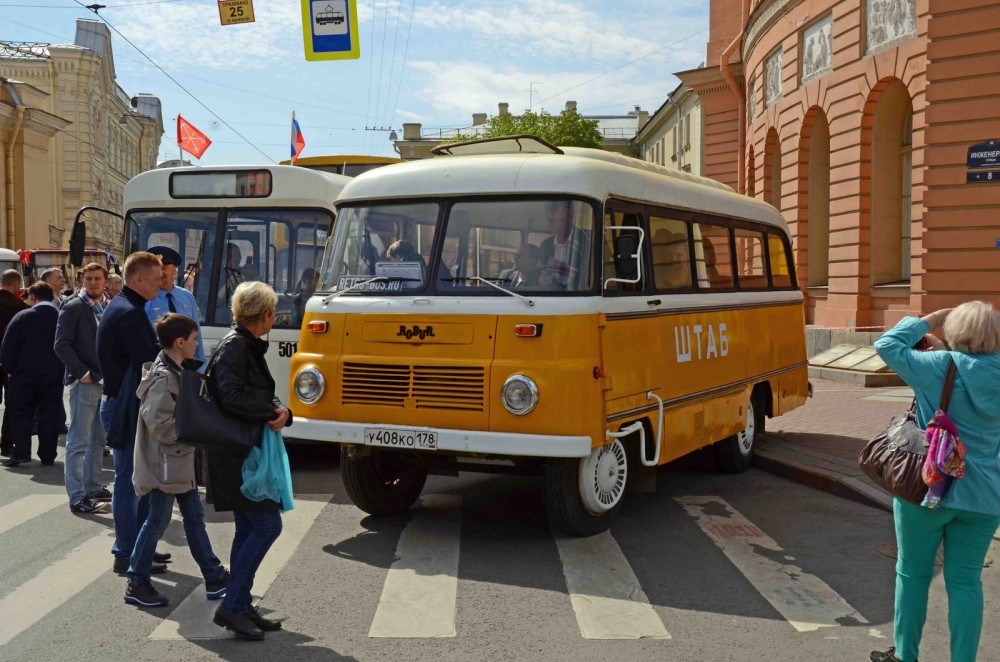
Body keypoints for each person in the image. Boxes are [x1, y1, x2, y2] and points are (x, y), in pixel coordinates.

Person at [871, 302, 1000, 662]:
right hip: (986, 497)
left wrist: (933, 319)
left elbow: (886, 345)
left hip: (930, 488)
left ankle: (905, 655)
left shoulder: (937, 367)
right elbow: (978, 373)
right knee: (966, 582)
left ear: (954, 332)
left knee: (912, 574)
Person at [124, 313, 229, 608]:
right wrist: (196, 430)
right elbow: (160, 426)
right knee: (157, 520)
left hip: (176, 461)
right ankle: (137, 581)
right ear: (180, 342)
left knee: (194, 518)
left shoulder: (175, 369)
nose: (197, 345)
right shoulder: (163, 377)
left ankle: (214, 575)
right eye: (194, 340)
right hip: (164, 464)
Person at [207, 281, 291, 640]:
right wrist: (271, 409)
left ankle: (239, 603)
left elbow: (248, 392)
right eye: (274, 311)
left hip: (243, 451)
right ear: (265, 315)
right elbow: (230, 397)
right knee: (267, 526)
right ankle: (232, 607)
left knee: (249, 528)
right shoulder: (236, 347)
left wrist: (281, 410)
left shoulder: (244, 345)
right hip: (238, 455)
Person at [97, 252, 169, 575]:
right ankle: (126, 553)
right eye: (156, 279)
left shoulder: (129, 307)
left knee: (137, 481)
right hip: (122, 407)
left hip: (124, 404)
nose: (161, 282)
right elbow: (147, 358)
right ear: (138, 280)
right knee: (128, 482)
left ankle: (139, 549)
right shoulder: (128, 312)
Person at [54, 262, 112, 514]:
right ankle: (77, 496)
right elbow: (61, 345)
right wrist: (83, 373)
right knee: (78, 442)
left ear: (105, 280)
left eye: (97, 278)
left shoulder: (107, 306)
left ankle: (93, 486)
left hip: (106, 382)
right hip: (85, 383)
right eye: (88, 279)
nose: (93, 283)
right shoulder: (73, 307)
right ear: (81, 281)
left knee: (98, 439)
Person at [0, 282, 64, 467]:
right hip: (53, 375)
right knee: (49, 414)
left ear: (33, 297)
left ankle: (21, 452)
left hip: (23, 376)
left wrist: (9, 369)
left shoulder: (22, 316)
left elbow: (8, 345)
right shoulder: (60, 317)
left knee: (21, 413)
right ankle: (48, 455)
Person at [145, 246, 206, 364]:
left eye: (164, 267)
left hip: (186, 366)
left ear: (174, 269)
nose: (160, 273)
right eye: (157, 269)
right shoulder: (147, 298)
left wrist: (200, 366)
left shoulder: (187, 297)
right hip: (159, 366)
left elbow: (196, 334)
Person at [0, 269, 27, 457]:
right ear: (16, 285)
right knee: (11, 404)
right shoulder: (20, 308)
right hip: (11, 364)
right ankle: (7, 444)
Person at [539, 201, 591, 289]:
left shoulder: (588, 240)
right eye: (551, 221)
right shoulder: (545, 245)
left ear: (571, 216)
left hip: (579, 297)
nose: (556, 225)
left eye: (560, 220)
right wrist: (542, 279)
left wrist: (572, 273)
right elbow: (540, 273)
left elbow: (600, 277)